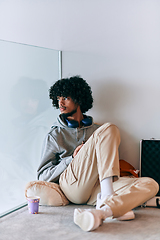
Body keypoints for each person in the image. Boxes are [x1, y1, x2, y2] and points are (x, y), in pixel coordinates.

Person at [37, 76, 159, 232]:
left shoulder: (97, 131)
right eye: (58, 98)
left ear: (78, 99)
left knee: (151, 184)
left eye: (66, 98)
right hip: (73, 186)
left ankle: (104, 211)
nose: (60, 103)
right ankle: (109, 197)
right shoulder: (55, 135)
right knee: (110, 128)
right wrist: (71, 159)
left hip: (97, 188)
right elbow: (42, 176)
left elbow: (108, 162)